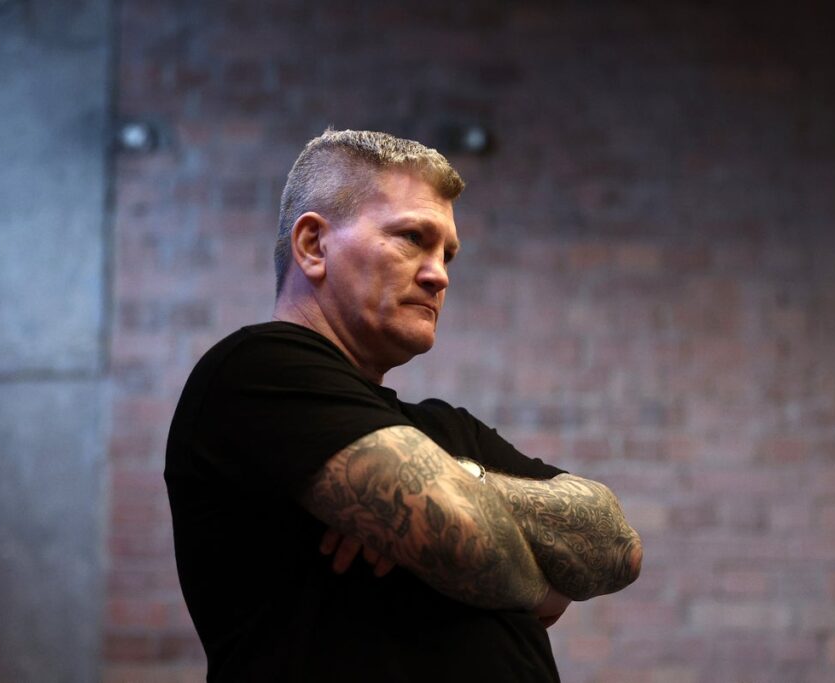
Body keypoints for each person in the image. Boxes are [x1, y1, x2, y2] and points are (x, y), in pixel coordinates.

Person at [165, 129, 643, 682]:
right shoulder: (255, 371)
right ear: (314, 245)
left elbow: (616, 546)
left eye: (448, 254)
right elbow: (462, 533)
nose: (439, 274)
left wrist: (459, 480)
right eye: (413, 238)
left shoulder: (450, 431)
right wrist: (540, 585)